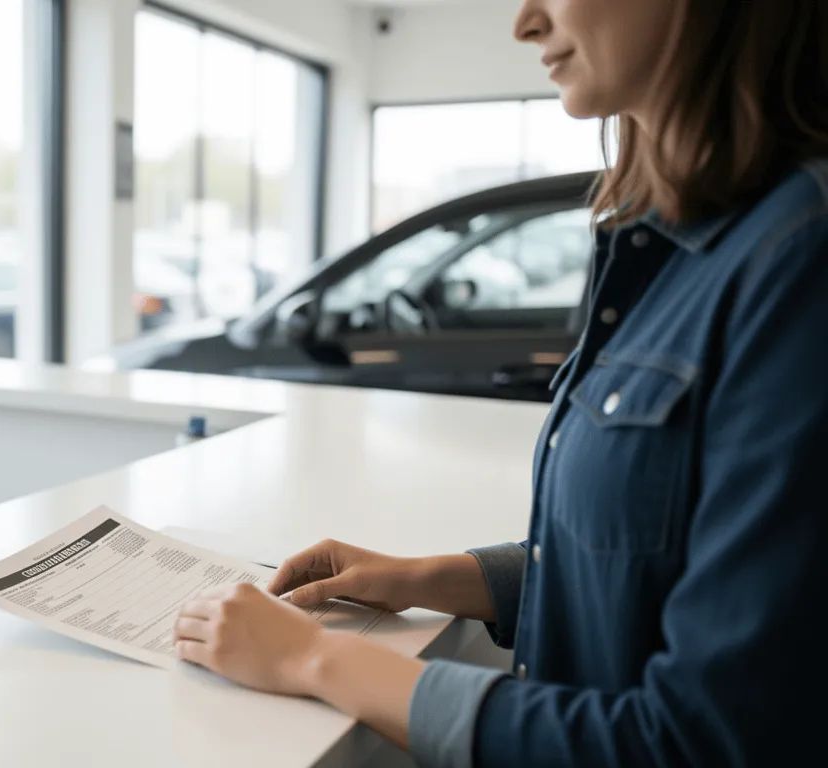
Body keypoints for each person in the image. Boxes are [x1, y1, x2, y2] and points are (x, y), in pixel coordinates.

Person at [173, 1, 828, 765]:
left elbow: (704, 742)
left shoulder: (800, 261)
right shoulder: (670, 241)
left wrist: (315, 659)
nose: (524, 22)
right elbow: (651, 559)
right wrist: (427, 577)